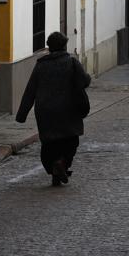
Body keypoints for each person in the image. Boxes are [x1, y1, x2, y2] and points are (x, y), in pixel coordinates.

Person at [16, 32, 92, 186]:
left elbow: (30, 90)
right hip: (68, 109)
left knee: (49, 144)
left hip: (45, 111)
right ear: (64, 45)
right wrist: (88, 77)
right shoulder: (71, 62)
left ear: (49, 47)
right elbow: (83, 81)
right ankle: (62, 163)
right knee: (71, 141)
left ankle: (55, 168)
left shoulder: (41, 65)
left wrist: (22, 114)